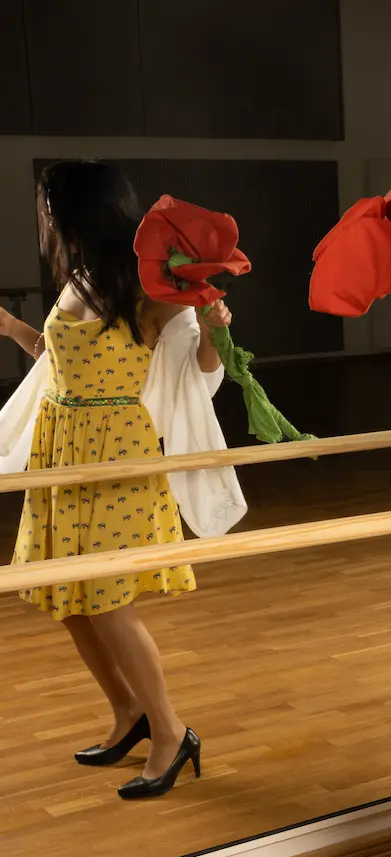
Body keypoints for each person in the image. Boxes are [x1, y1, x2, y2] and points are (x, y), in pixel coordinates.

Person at [0, 160, 246, 799]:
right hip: (63, 450)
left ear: (77, 213)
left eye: (50, 210)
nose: (46, 221)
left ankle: (170, 730)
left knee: (108, 603)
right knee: (68, 601)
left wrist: (213, 332)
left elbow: (200, 376)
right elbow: (58, 360)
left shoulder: (151, 289)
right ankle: (128, 712)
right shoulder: (83, 278)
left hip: (114, 453)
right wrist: (8, 326)